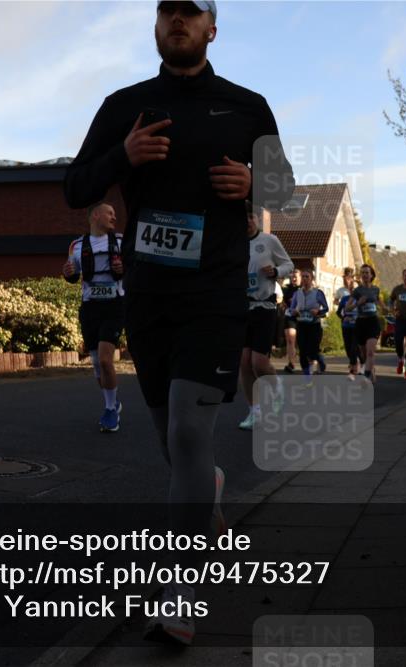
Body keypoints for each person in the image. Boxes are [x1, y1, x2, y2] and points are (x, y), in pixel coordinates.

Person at [63, 0, 293, 646]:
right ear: (157, 25)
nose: (178, 20)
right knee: (175, 441)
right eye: (168, 10)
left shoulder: (247, 107)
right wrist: (123, 156)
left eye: (191, 12)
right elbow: (75, 187)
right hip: (150, 297)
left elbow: (285, 192)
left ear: (212, 28)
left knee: (191, 430)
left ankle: (179, 592)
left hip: (216, 293)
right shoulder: (124, 106)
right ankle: (207, 487)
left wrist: (253, 184)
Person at [62, 202, 125, 432]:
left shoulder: (121, 242)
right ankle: (112, 402)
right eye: (110, 213)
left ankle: (110, 411)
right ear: (96, 215)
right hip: (90, 308)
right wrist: (67, 273)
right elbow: (72, 273)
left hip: (114, 306)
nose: (114, 217)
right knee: (98, 364)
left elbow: (133, 269)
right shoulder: (76, 245)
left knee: (107, 360)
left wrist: (123, 269)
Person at [239, 204, 293, 430]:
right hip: (242, 307)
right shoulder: (234, 243)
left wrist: (276, 271)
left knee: (258, 363)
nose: (247, 221)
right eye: (243, 218)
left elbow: (289, 264)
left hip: (264, 306)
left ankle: (277, 386)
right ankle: (255, 412)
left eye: (250, 217)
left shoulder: (269, 241)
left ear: (257, 219)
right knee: (244, 363)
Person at [345, 264, 382, 382]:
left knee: (370, 352)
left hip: (373, 322)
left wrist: (388, 309)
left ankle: (366, 377)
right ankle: (371, 369)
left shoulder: (376, 289)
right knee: (364, 354)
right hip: (361, 323)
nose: (365, 275)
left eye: (367, 272)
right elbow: (347, 308)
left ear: (371, 275)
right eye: (363, 273)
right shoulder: (357, 291)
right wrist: (358, 303)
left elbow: (381, 305)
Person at [290, 270, 328, 377]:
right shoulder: (297, 293)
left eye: (307, 276)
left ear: (312, 279)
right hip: (301, 325)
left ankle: (320, 360)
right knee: (303, 351)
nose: (305, 279)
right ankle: (307, 375)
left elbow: (326, 308)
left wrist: (318, 311)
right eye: (303, 276)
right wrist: (294, 311)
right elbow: (291, 309)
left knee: (313, 350)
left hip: (314, 325)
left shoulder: (318, 293)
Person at [336, 273, 361, 375]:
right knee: (348, 349)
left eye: (355, 288)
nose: (353, 290)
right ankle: (355, 361)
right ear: (349, 290)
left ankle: (353, 368)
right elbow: (339, 312)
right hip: (346, 326)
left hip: (357, 326)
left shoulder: (361, 300)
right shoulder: (345, 299)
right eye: (351, 288)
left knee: (354, 348)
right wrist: (343, 317)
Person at [280, 269, 301, 373]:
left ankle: (313, 360)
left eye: (296, 277)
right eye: (292, 277)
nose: (293, 279)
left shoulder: (303, 289)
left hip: (302, 317)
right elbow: (282, 300)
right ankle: (291, 363)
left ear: (300, 278)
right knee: (290, 339)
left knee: (303, 341)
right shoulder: (287, 289)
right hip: (290, 316)